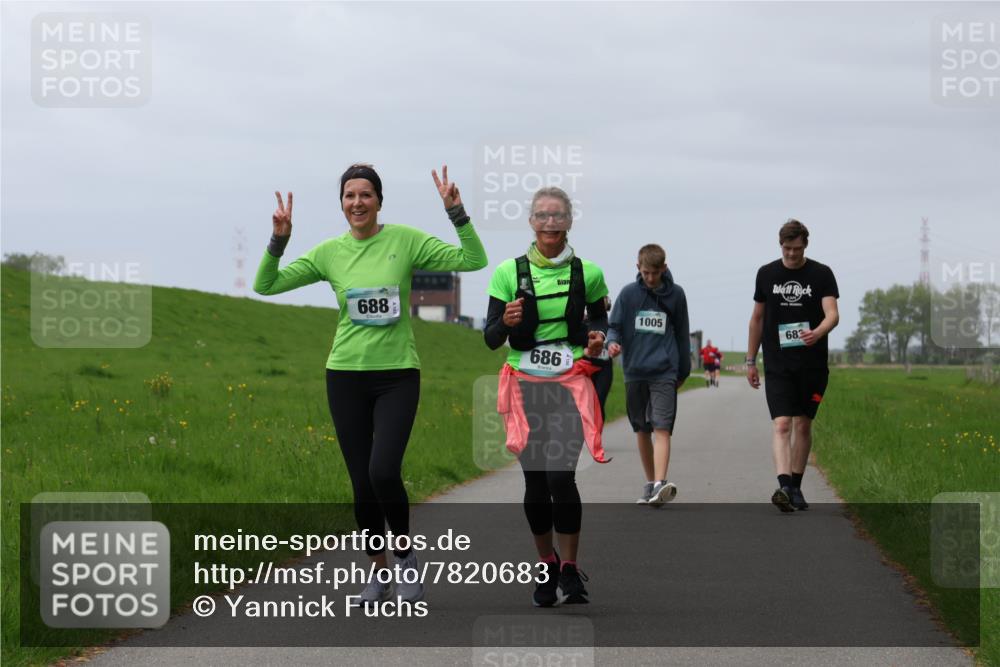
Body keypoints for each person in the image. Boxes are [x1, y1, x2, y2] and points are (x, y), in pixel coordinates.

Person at [254, 163, 488, 603]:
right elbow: (265, 284)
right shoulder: (329, 253)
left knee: (384, 471)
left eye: (365, 195)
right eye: (349, 196)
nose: (357, 203)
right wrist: (279, 240)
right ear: (341, 203)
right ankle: (378, 572)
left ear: (379, 200)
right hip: (344, 375)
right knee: (361, 482)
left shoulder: (405, 240)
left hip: (398, 374)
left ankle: (405, 561)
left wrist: (456, 212)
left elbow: (473, 259)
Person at [484, 186, 610, 607]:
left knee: (561, 477)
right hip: (524, 388)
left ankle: (570, 570)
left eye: (558, 215)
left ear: (569, 221)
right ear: (531, 222)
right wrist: (504, 320)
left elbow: (600, 323)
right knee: (536, 483)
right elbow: (490, 337)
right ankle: (546, 564)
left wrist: (596, 342)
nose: (550, 222)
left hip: (569, 385)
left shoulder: (588, 273)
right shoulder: (508, 272)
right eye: (542, 215)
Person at [745, 219, 839, 513]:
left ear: (805, 246)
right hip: (778, 363)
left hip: (812, 365)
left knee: (803, 424)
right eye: (787, 249)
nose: (792, 255)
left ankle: (795, 486)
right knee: (783, 424)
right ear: (780, 245)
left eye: (797, 249)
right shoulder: (767, 274)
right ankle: (784, 486)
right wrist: (750, 360)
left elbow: (832, 314)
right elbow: (757, 319)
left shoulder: (822, 274)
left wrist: (818, 332)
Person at [606, 244, 691, 506]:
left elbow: (682, 334)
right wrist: (612, 343)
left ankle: (660, 483)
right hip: (634, 371)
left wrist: (683, 370)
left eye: (655, 273)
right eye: (645, 273)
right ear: (638, 268)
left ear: (664, 269)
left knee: (661, 427)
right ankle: (651, 483)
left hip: (665, 371)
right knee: (641, 429)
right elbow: (615, 326)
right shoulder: (628, 294)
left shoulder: (676, 295)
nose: (650, 278)